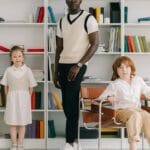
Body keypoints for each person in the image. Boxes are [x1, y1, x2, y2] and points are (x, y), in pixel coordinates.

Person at [54, 0, 99, 149]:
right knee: (67, 104)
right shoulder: (61, 21)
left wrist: (79, 65)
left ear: (81, 1)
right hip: (63, 65)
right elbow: (59, 48)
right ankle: (75, 142)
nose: (73, 0)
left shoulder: (89, 19)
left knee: (70, 100)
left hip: (78, 66)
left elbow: (95, 44)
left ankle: (70, 142)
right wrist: (55, 72)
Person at [99, 56, 150, 150]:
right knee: (135, 115)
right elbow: (101, 97)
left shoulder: (138, 80)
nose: (124, 70)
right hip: (121, 111)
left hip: (137, 109)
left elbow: (147, 91)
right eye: (120, 68)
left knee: (147, 116)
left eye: (127, 67)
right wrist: (109, 97)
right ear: (116, 71)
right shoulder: (115, 84)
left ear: (131, 68)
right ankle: (133, 147)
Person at [0, 46, 37, 150]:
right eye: (15, 56)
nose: (17, 58)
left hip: (24, 100)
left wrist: (26, 97)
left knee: (22, 123)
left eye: (19, 56)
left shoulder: (28, 70)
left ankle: (20, 144)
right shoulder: (8, 70)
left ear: (23, 57)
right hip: (12, 100)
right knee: (12, 123)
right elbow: (5, 86)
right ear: (11, 58)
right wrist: (9, 96)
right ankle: (14, 144)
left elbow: (31, 87)